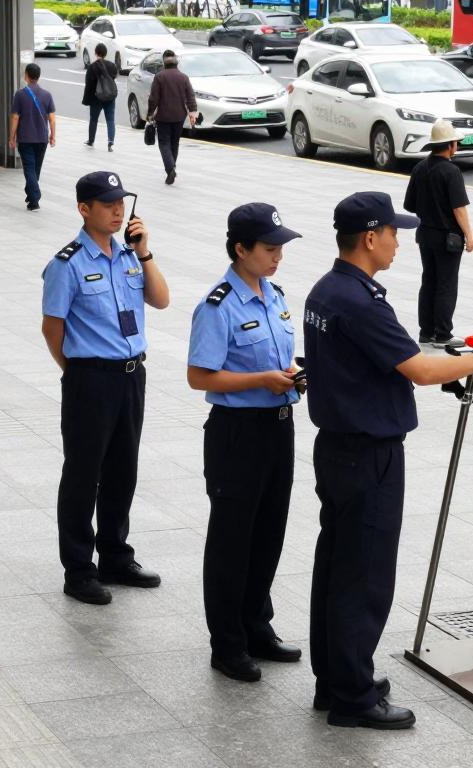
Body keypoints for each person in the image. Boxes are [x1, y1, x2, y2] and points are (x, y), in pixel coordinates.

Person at [303, 191, 473, 730]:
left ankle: (335, 679)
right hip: (367, 455)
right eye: (394, 232)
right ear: (370, 238)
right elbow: (418, 368)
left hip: (338, 449)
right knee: (364, 576)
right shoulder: (360, 302)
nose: (399, 242)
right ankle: (353, 697)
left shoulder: (326, 290)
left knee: (337, 567)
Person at [188, 203, 304, 683]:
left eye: (280, 248)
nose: (278, 257)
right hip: (238, 434)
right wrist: (262, 379)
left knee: (268, 533)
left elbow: (278, 358)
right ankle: (227, 643)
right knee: (232, 540)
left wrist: (292, 374)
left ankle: (257, 626)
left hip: (278, 427)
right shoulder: (217, 306)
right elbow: (200, 376)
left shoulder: (274, 295)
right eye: (270, 248)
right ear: (241, 249)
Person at [41, 171, 170, 604]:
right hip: (91, 378)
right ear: (84, 209)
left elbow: (161, 299)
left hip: (132, 375)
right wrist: (78, 370)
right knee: (83, 474)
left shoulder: (131, 256)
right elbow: (52, 328)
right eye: (108, 204)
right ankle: (79, 569)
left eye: (121, 203)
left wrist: (145, 251)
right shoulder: (68, 264)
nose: (118, 211)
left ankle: (115, 555)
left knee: (122, 469)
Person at [403, 119, 473, 348]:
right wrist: (469, 235)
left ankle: (426, 332)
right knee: (446, 284)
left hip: (425, 235)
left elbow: (409, 205)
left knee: (429, 281)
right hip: (448, 239)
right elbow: (459, 208)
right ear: (450, 145)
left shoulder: (420, 168)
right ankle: (443, 334)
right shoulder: (451, 171)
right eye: (456, 143)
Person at [8, 62, 56, 211]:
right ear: (38, 77)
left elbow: (15, 117)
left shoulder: (20, 95)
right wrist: (53, 136)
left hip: (25, 138)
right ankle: (31, 193)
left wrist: (12, 137)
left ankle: (34, 198)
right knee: (35, 170)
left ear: (26, 76)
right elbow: (52, 119)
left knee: (29, 168)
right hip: (42, 139)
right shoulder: (47, 95)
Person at [147, 49, 197, 185]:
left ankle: (170, 169)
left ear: (164, 63)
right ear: (176, 63)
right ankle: (172, 166)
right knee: (175, 143)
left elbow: (153, 98)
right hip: (179, 116)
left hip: (163, 116)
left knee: (164, 143)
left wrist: (150, 113)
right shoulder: (183, 77)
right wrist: (193, 112)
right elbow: (191, 96)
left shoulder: (159, 77)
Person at [82, 43, 117, 151]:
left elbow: (88, 85)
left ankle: (91, 140)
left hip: (95, 98)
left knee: (94, 119)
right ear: (105, 53)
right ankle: (110, 142)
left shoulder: (92, 67)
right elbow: (113, 78)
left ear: (95, 53)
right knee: (110, 120)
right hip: (109, 97)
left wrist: (86, 100)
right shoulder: (112, 66)